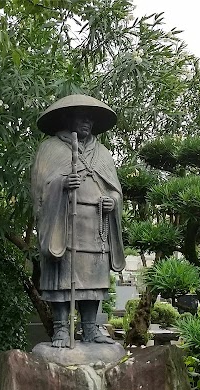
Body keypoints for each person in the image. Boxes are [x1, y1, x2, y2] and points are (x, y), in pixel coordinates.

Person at [31, 94, 125, 347]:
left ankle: (90, 328)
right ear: (67, 118)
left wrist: (112, 202)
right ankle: (61, 329)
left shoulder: (103, 153)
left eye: (90, 118)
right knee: (62, 275)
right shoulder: (50, 148)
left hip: (96, 227)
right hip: (64, 225)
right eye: (81, 117)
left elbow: (115, 189)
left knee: (93, 278)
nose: (87, 122)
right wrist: (61, 184)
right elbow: (40, 190)